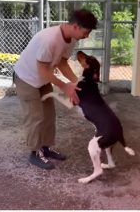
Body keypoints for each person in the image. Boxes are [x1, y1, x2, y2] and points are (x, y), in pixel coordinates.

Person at [13, 9, 98, 170]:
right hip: (26, 78)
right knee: (35, 116)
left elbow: (62, 63)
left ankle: (45, 149)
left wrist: (77, 82)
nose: (86, 36)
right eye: (86, 32)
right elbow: (42, 70)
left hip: (42, 79)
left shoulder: (71, 39)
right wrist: (65, 86)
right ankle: (35, 153)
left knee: (49, 115)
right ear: (75, 26)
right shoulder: (50, 39)